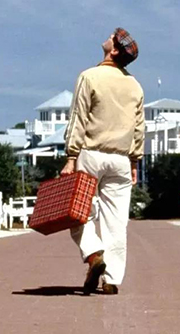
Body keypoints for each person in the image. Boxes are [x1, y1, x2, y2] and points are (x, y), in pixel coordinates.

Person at [61, 27, 144, 295]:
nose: (107, 37)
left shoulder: (90, 76)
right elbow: (139, 127)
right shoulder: (135, 85)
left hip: (91, 154)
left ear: (114, 49)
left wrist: (71, 157)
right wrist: (135, 161)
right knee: (116, 222)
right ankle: (111, 279)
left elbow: (78, 118)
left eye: (112, 37)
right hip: (121, 159)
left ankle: (94, 254)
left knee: (78, 212)